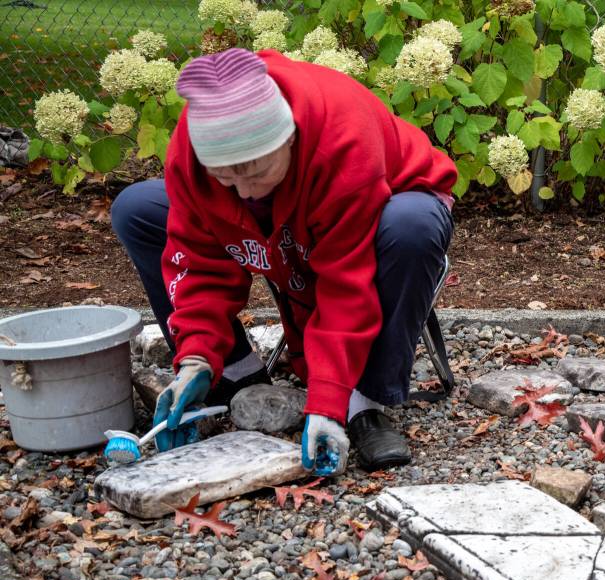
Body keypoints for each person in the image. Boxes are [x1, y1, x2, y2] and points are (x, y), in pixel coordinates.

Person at [111, 48, 457, 474]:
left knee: (411, 227)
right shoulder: (194, 151)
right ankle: (236, 375)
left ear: (289, 136)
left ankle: (362, 403)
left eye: (255, 173)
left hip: (387, 212)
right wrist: (196, 356)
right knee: (138, 208)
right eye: (225, 178)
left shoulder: (343, 141)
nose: (243, 193)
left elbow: (346, 284)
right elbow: (196, 260)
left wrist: (328, 399)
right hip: (285, 231)